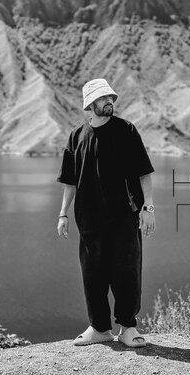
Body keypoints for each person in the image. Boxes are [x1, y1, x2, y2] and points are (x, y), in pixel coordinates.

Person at [56, 78, 156, 347]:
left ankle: (127, 327)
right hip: (89, 219)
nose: (109, 101)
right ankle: (99, 328)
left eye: (110, 97)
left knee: (127, 272)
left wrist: (148, 207)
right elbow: (70, 180)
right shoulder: (76, 136)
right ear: (90, 104)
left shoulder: (126, 130)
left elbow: (143, 172)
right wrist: (63, 214)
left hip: (124, 215)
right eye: (102, 98)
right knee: (93, 275)